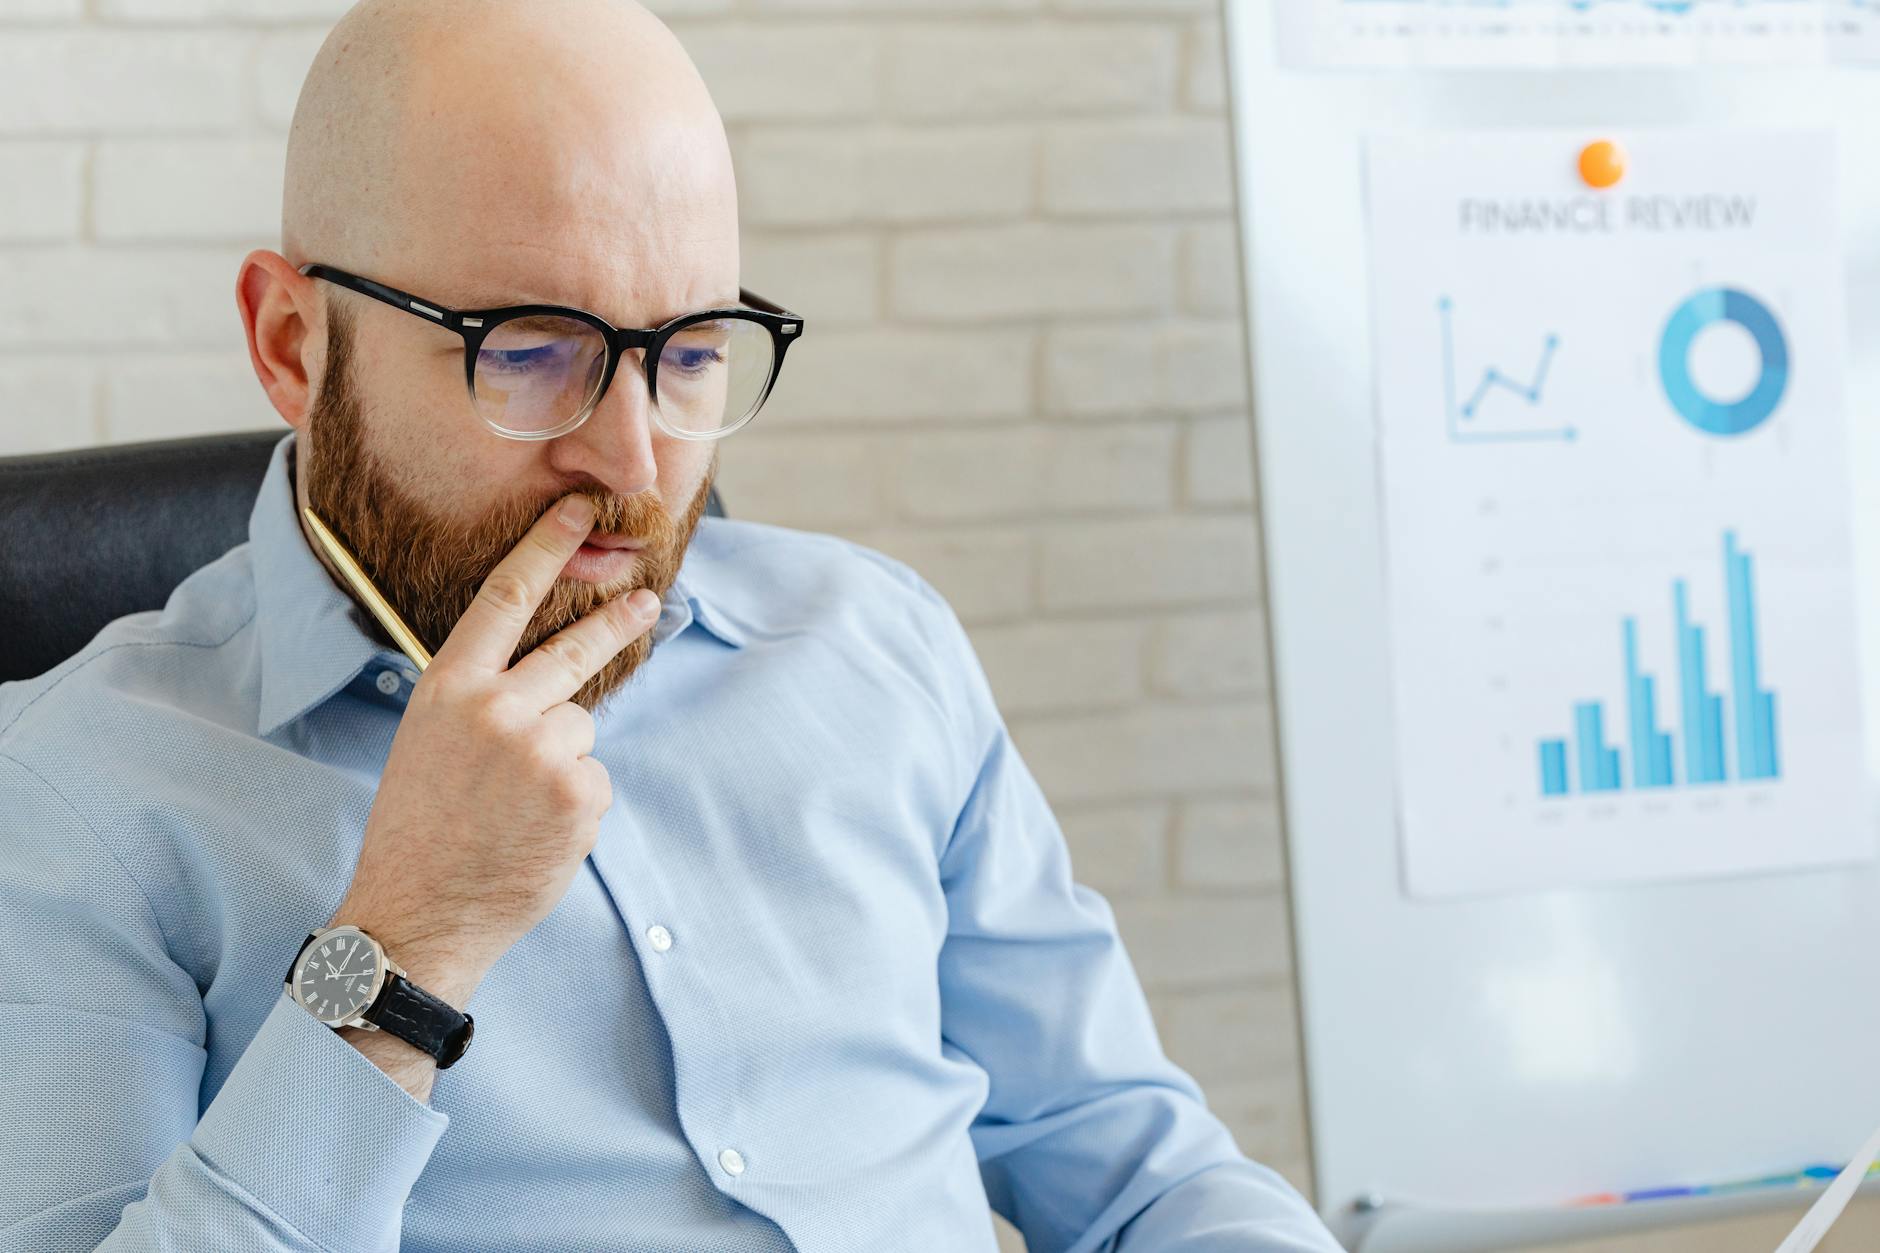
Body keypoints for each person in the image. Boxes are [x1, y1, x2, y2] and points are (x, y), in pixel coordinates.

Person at [0, 1, 1342, 1249]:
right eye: (527, 352)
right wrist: (411, 939)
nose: (635, 461)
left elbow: (1131, 1161)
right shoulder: (71, 800)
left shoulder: (875, 647)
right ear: (294, 344)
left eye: (692, 352)